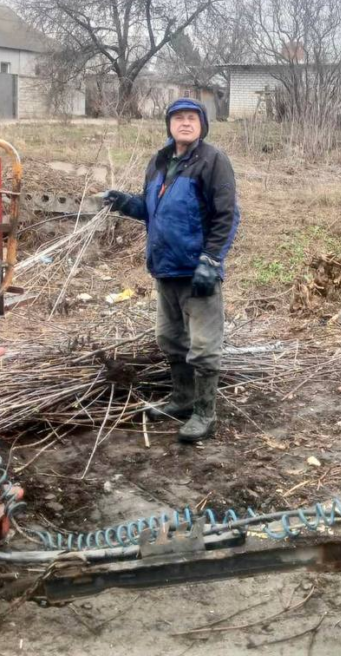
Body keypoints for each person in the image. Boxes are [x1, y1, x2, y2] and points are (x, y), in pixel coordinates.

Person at [103, 99, 239, 443]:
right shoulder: (160, 161)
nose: (185, 123)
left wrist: (211, 260)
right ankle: (181, 398)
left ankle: (205, 414)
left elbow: (228, 216)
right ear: (169, 125)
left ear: (202, 125)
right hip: (165, 268)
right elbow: (155, 210)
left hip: (197, 272)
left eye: (192, 118)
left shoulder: (213, 160)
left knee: (204, 346)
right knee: (170, 339)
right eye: (178, 118)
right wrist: (127, 203)